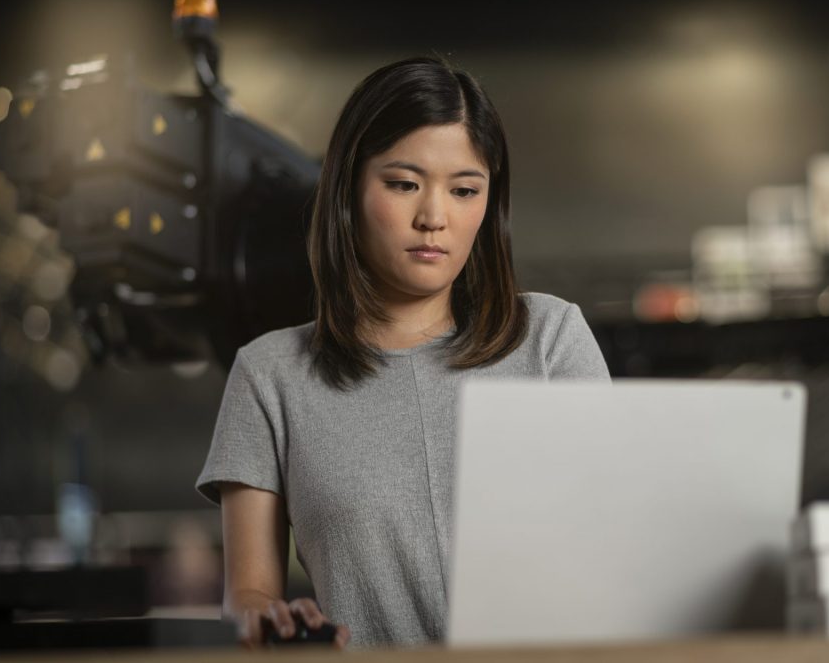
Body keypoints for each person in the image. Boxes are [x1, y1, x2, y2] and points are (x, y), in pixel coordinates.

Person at [195, 56, 609, 650]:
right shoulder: (269, 376)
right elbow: (249, 597)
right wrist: (268, 620)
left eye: (465, 190)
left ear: (489, 206)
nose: (434, 218)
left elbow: (613, 546)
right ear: (348, 190)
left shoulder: (551, 338)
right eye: (403, 184)